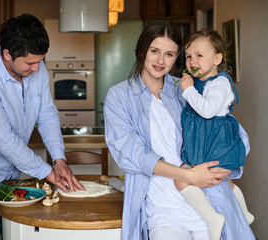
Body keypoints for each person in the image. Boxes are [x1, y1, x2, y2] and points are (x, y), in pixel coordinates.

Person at [103, 19, 255, 240]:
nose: (160, 60)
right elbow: (131, 154)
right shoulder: (119, 97)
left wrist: (222, 167)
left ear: (177, 58)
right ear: (142, 49)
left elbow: (232, 132)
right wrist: (188, 175)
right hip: (164, 210)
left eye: (170, 54)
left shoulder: (186, 87)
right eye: (154, 50)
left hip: (207, 205)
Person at [0, 14, 84, 239]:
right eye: (30, 63)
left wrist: (59, 159)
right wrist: (48, 172)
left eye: (40, 61)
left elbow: (47, 115)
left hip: (8, 173)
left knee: (15, 233)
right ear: (7, 54)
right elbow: (3, 140)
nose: (37, 69)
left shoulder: (37, 69)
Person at [174, 28, 254, 240]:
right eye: (189, 56)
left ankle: (212, 218)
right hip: (205, 142)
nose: (192, 61)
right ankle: (244, 213)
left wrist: (188, 89)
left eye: (199, 55)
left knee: (181, 180)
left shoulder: (219, 84)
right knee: (222, 181)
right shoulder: (201, 81)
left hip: (216, 145)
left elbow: (207, 111)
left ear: (217, 58)